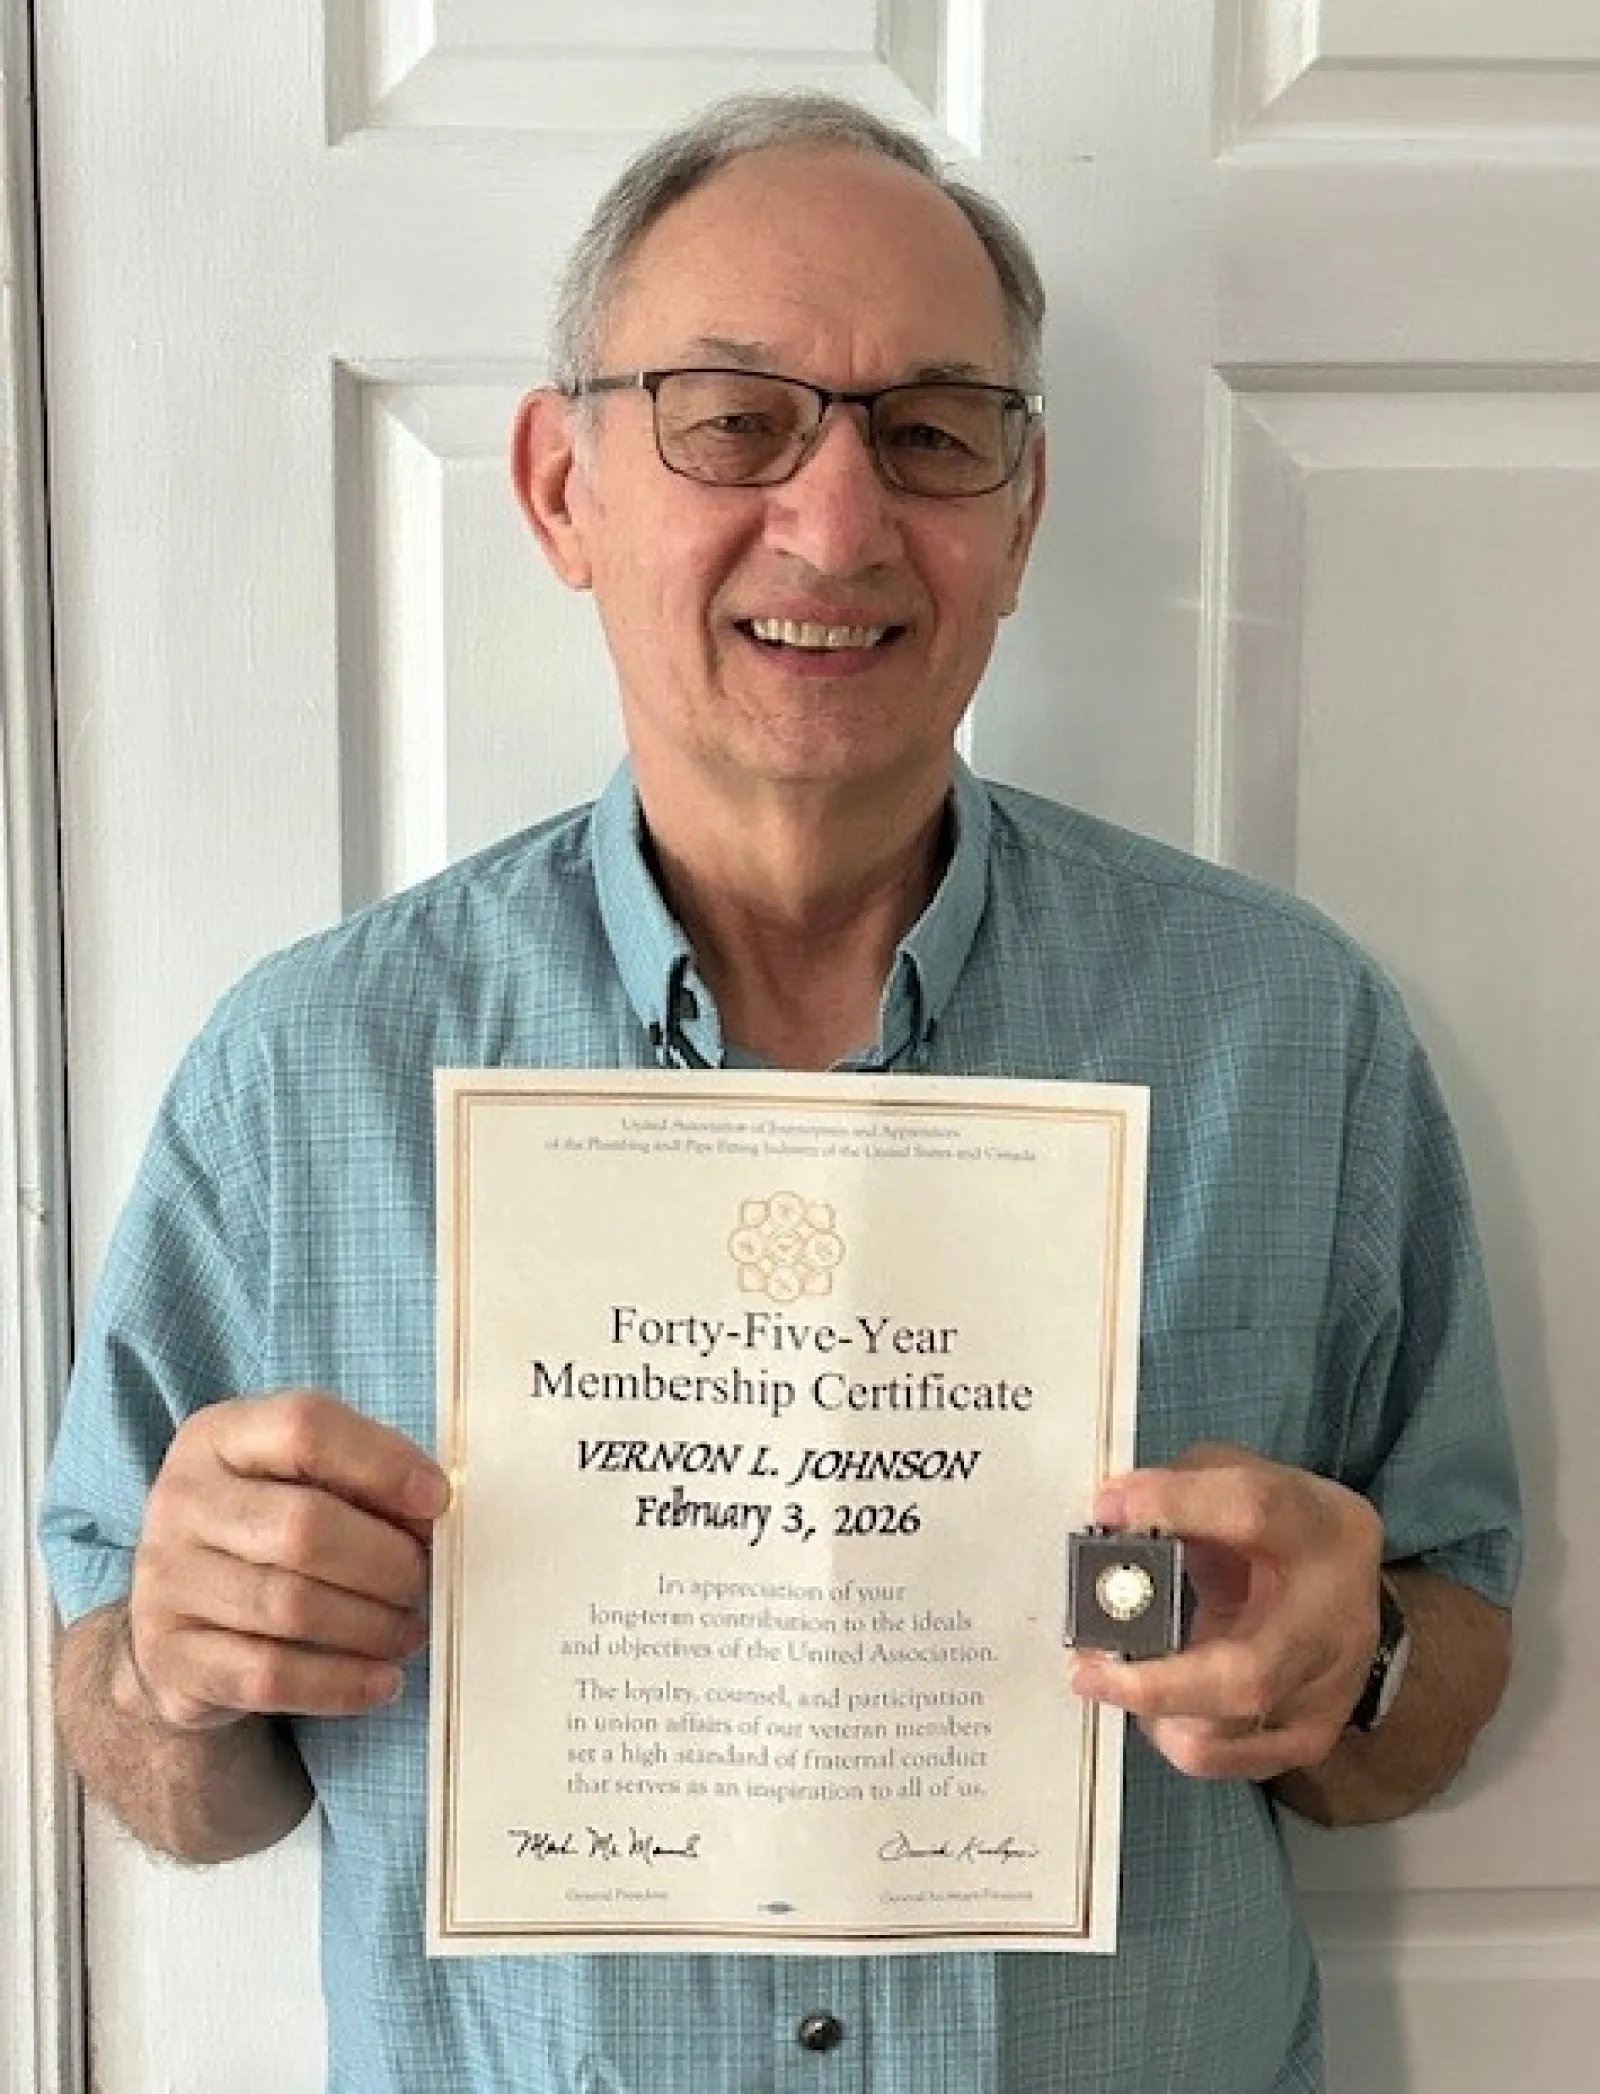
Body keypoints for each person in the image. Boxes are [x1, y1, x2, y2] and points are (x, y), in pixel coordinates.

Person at [42, 90, 1519, 2094]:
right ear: (561, 489)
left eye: (926, 432)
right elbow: (164, 1773)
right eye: (732, 418)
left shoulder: (1291, 1033)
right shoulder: (301, 1078)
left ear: (1016, 510)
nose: (832, 525)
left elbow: (1441, 1677)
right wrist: (174, 1662)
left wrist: (1354, 1668)